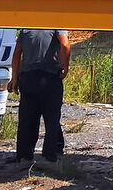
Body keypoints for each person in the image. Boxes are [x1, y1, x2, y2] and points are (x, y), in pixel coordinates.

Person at [8, 29, 70, 163]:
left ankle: (24, 155)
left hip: (28, 78)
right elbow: (65, 45)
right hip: (50, 77)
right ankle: (50, 155)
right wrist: (65, 67)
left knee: (27, 119)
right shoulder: (57, 26)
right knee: (52, 118)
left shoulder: (25, 29)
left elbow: (17, 53)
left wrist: (14, 78)